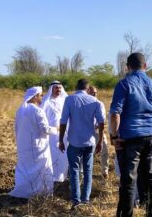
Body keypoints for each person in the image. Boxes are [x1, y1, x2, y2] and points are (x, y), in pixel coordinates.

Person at [110, 52, 152, 217]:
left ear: (128, 67)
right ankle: (151, 213)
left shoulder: (124, 84)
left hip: (130, 136)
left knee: (129, 179)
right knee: (150, 176)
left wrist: (114, 136)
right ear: (145, 66)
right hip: (151, 135)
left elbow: (114, 113)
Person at [59, 79, 105, 209]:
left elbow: (63, 121)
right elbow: (101, 123)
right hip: (90, 142)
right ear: (88, 88)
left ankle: (76, 201)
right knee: (88, 171)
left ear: (76, 87)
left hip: (74, 142)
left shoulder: (70, 100)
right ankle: (85, 200)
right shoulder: (95, 101)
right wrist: (100, 140)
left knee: (74, 171)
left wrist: (61, 140)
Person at [9, 86, 58, 199]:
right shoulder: (38, 111)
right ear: (35, 97)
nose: (42, 97)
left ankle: (24, 190)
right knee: (41, 169)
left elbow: (16, 128)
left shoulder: (20, 110)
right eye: (41, 95)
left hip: (23, 146)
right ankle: (40, 192)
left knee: (25, 168)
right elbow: (45, 129)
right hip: (38, 147)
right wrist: (56, 129)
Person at [41, 81, 69, 182]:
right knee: (52, 154)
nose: (58, 90)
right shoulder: (46, 102)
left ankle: (62, 177)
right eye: (56, 88)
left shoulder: (65, 100)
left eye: (60, 88)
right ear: (51, 89)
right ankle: (52, 178)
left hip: (64, 133)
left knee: (63, 155)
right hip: (51, 134)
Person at [88, 86, 110, 178]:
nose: (94, 94)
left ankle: (105, 171)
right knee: (88, 152)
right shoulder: (85, 103)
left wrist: (98, 125)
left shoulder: (100, 103)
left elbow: (103, 117)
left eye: (95, 92)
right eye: (92, 92)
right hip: (87, 131)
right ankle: (88, 171)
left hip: (98, 130)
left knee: (104, 149)